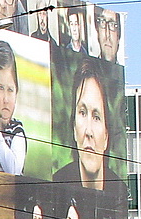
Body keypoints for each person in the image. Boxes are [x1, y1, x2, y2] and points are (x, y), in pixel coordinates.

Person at [52, 59, 126, 200]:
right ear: (74, 127)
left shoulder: (120, 193)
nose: (88, 131)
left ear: (106, 135)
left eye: (96, 117)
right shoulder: (57, 186)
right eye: (82, 113)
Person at [0, 41, 26, 174]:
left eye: (10, 90)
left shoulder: (17, 130)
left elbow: (13, 171)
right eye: (0, 88)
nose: (5, 99)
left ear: (17, 91)